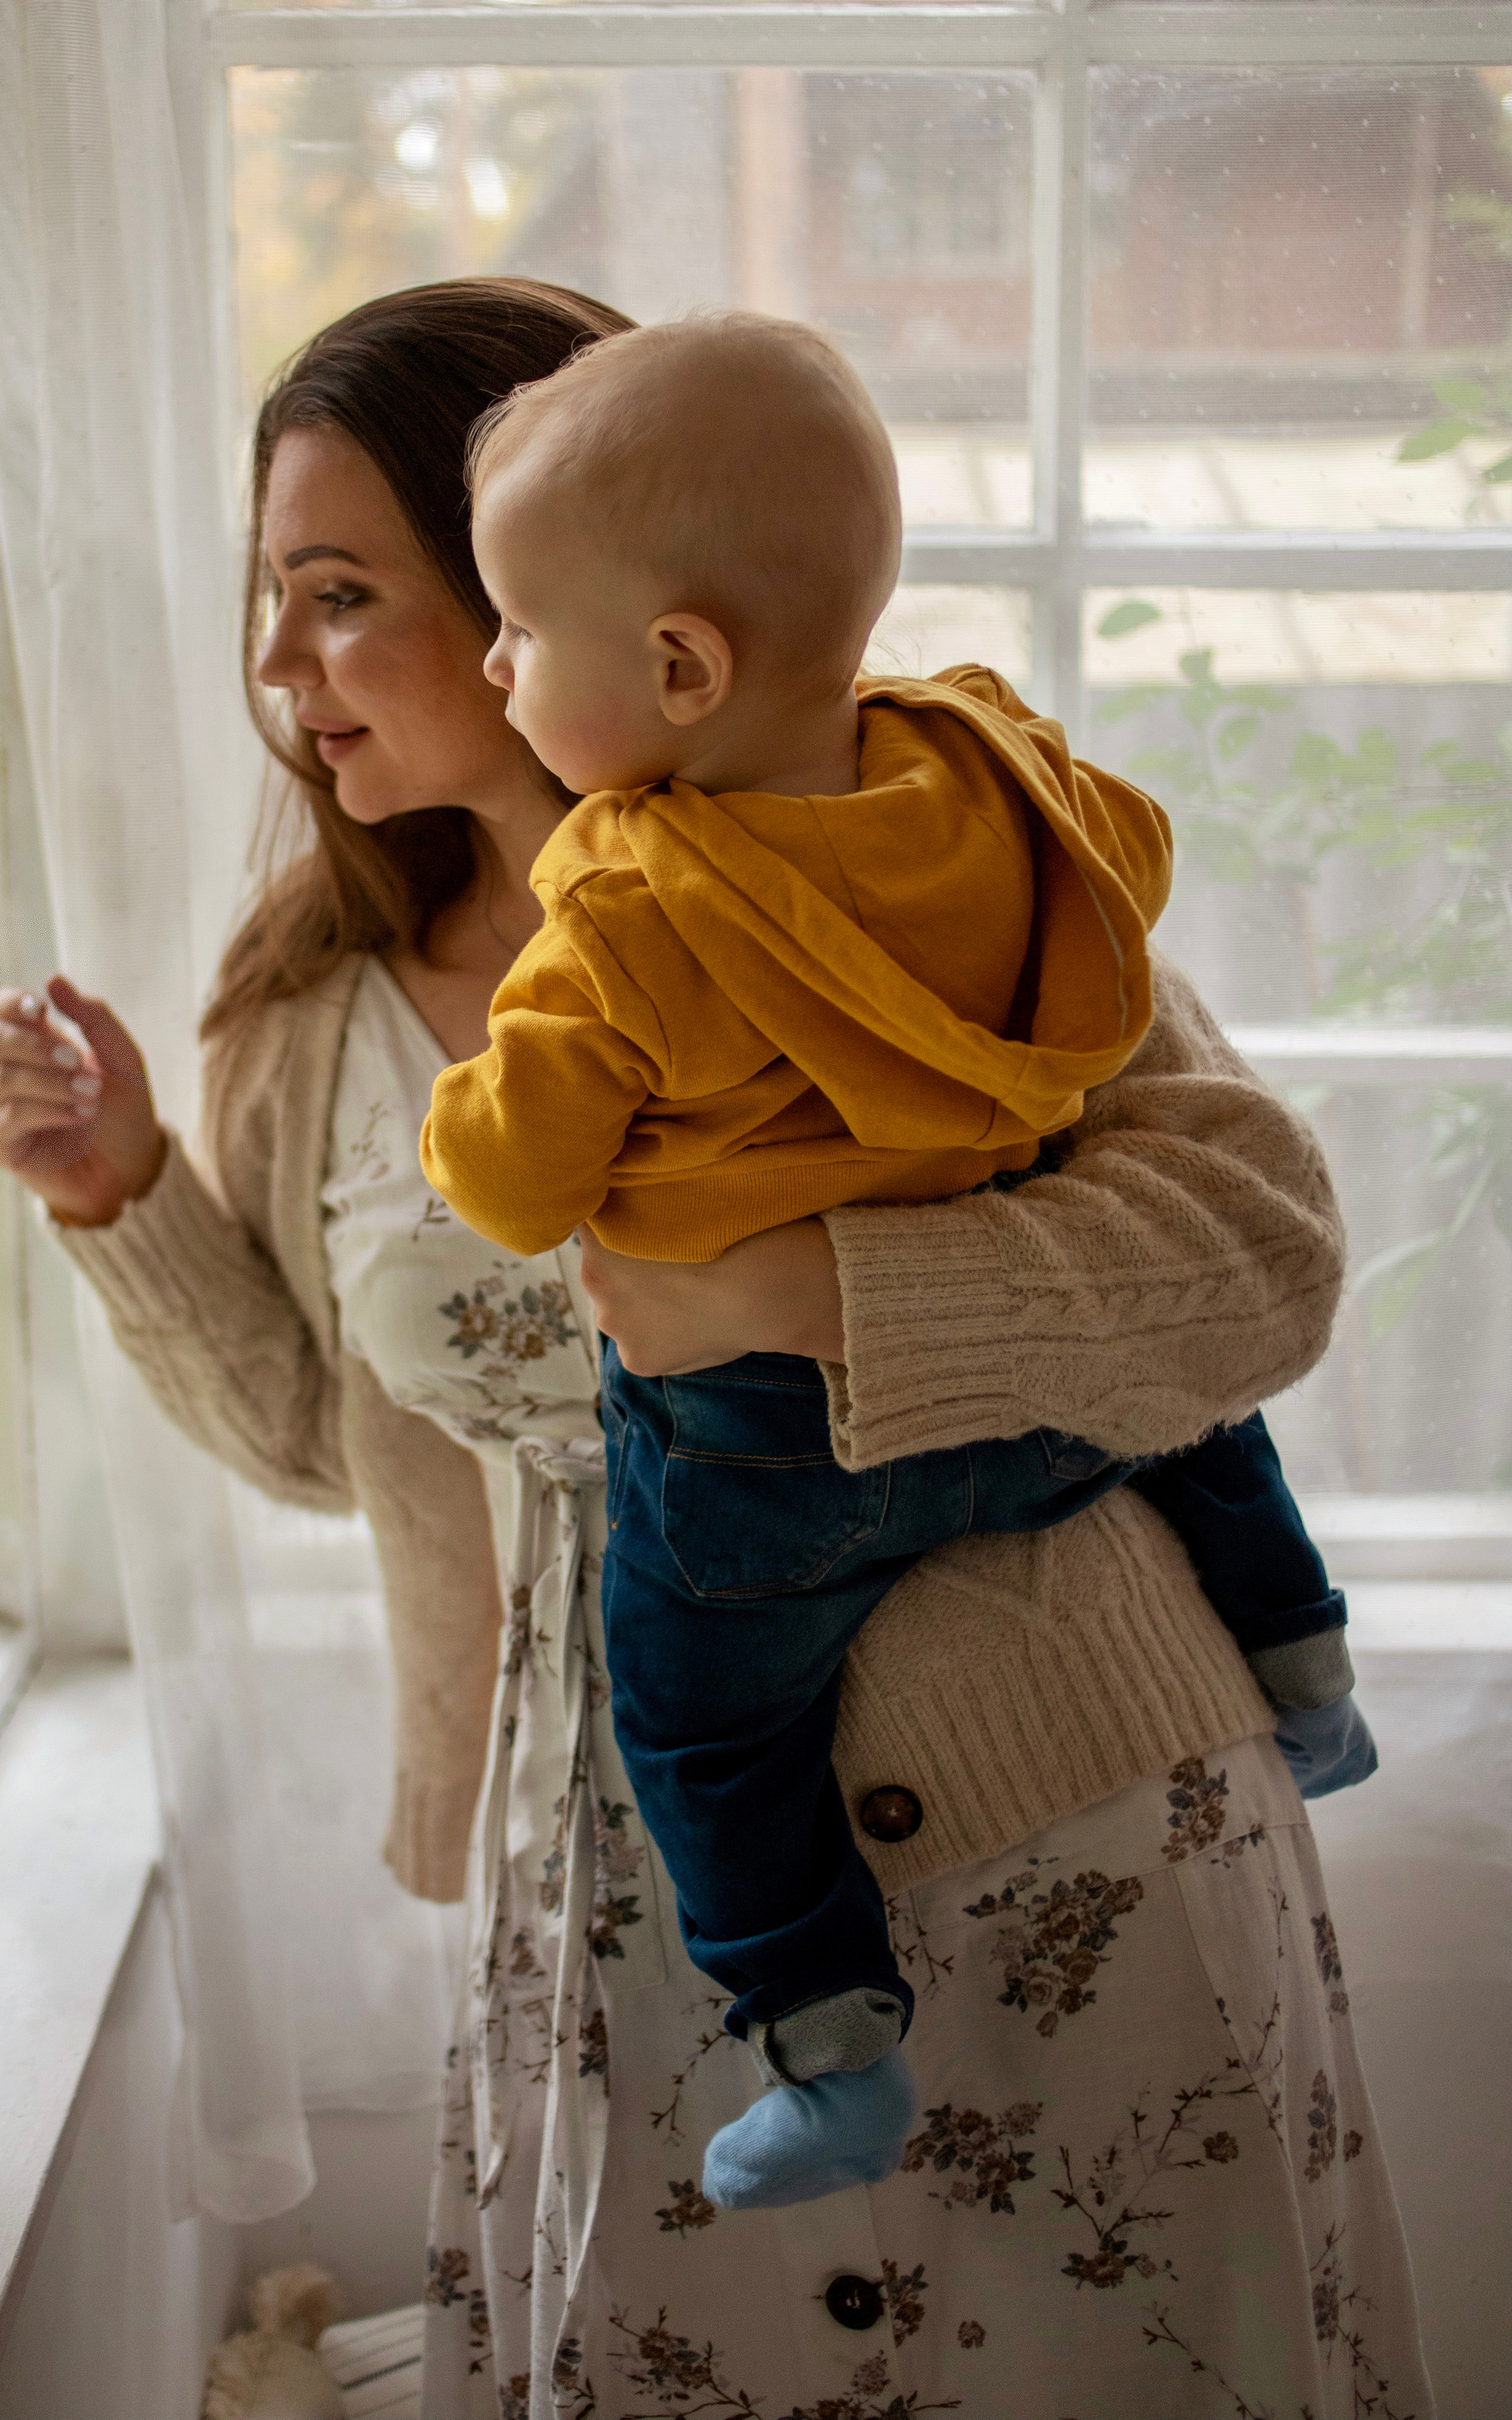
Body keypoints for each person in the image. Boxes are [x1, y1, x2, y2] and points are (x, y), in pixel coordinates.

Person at [0, 278, 1430, 2419]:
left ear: (565, 591)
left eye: (340, 593)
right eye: (268, 599)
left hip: (1059, 1837)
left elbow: (1261, 1256)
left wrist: (805, 1299)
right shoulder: (309, 1023)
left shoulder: (909, 841)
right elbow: (338, 1438)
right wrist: (124, 1202)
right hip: (615, 1890)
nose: (280, 668)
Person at [420, 314, 1375, 2209]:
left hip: (782, 1465)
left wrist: (497, 1118)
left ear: (678, 666)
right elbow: (1138, 873)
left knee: (697, 1704)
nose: (489, 661)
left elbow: (516, 1192)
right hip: (1047, 1436)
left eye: (511, 626)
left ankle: (832, 2043)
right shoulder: (1006, 780)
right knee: (1192, 1434)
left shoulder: (622, 906)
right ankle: (1312, 1669)